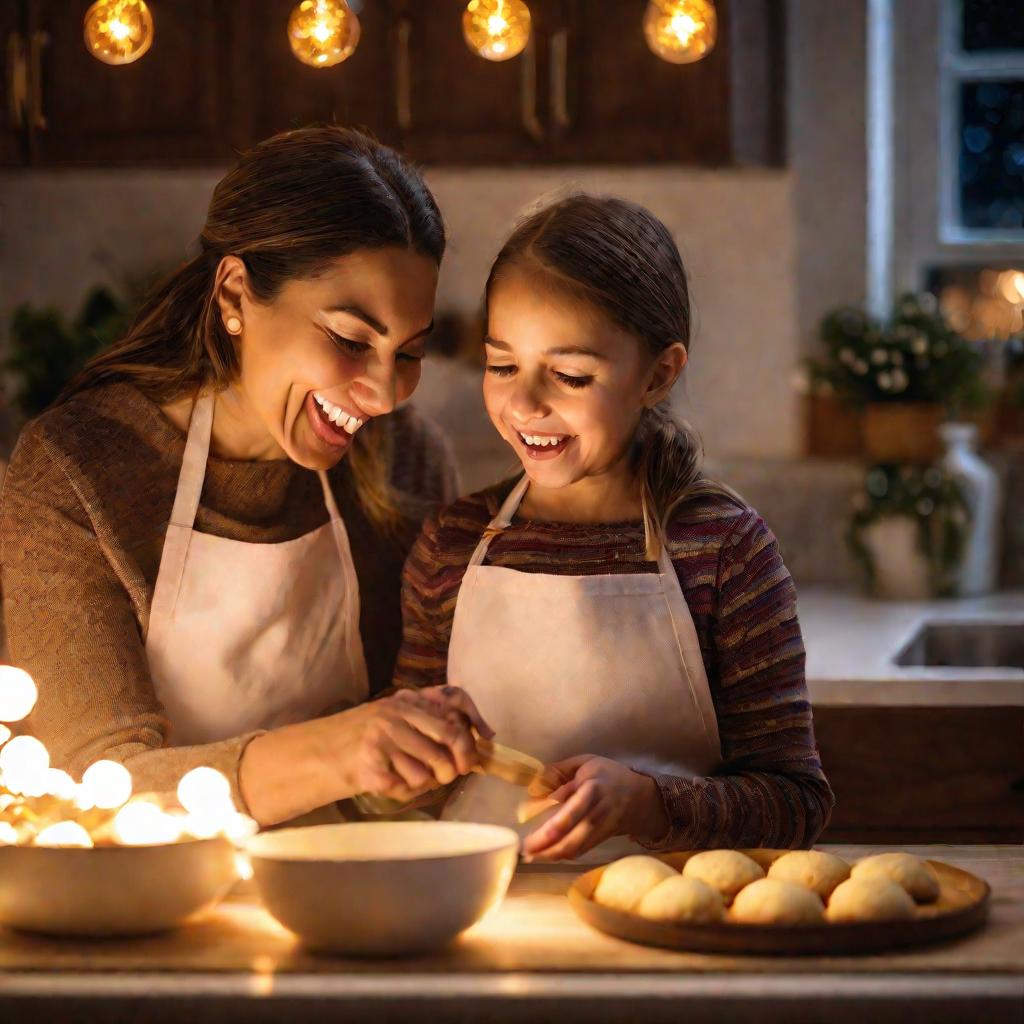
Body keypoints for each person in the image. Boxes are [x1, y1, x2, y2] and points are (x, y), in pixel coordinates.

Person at [0, 126, 493, 828]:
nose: (385, 395)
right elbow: (90, 789)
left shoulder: (406, 459)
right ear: (235, 295)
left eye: (407, 353)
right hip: (159, 907)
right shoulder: (78, 471)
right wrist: (338, 752)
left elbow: (406, 766)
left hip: (356, 895)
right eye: (351, 341)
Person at [394, 194, 835, 862]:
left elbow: (795, 805)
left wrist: (649, 802)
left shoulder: (722, 549)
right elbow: (403, 802)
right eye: (502, 364)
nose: (523, 402)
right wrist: (405, 765)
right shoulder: (452, 544)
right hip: (487, 920)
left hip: (674, 926)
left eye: (570, 374)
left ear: (658, 374)